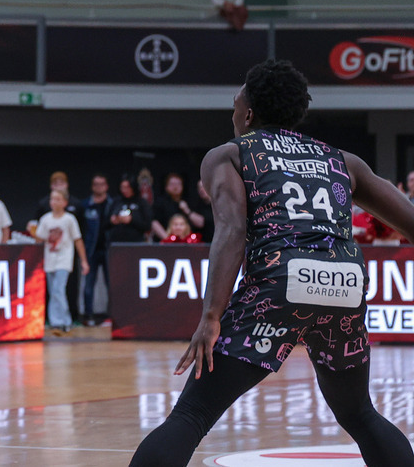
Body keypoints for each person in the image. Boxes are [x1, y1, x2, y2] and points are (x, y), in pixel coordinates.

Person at [130, 59, 414, 467]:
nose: (232, 114)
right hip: (344, 283)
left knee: (192, 415)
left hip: (281, 280)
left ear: (247, 113)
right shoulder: (341, 161)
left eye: (234, 106)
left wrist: (211, 316)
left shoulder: (230, 155)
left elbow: (232, 232)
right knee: (359, 414)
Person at [34, 189, 89, 334]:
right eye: (52, 199)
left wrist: (84, 261)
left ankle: (64, 321)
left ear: (65, 202)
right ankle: (55, 321)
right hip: (50, 260)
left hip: (64, 260)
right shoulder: (46, 219)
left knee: (59, 289)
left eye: (58, 199)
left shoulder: (69, 219)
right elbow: (39, 238)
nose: (54, 202)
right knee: (53, 291)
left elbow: (78, 240)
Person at [81, 173, 113, 326]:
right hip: (91, 251)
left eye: (102, 184)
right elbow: (81, 229)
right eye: (96, 184)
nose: (98, 187)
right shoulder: (86, 205)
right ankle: (88, 316)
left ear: (106, 186)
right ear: (92, 186)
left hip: (109, 250)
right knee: (88, 285)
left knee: (111, 285)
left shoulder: (112, 204)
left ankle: (112, 316)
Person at [109, 175, 151, 243]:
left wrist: (131, 220)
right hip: (117, 242)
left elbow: (147, 225)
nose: (124, 190)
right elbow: (105, 223)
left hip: (136, 242)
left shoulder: (141, 203)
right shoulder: (116, 202)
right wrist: (112, 220)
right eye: (122, 187)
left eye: (127, 187)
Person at [150, 172, 190, 239]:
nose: (175, 186)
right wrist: (168, 240)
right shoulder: (160, 202)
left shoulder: (188, 201)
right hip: (164, 243)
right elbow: (154, 222)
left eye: (178, 184)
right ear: (166, 187)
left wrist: (187, 210)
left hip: (186, 243)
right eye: (172, 184)